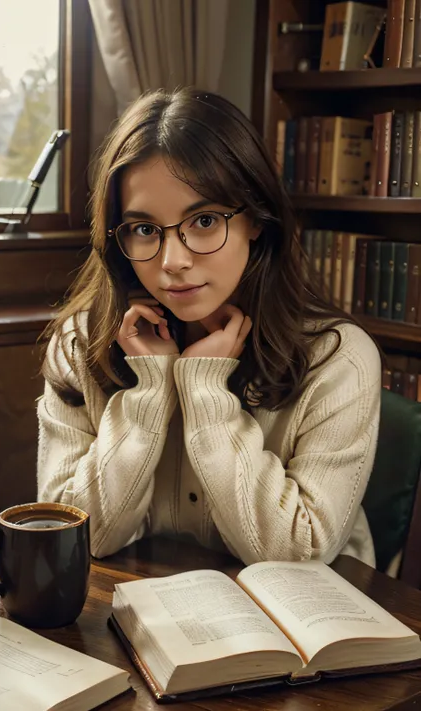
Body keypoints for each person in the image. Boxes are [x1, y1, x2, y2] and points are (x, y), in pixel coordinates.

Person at [37, 87, 381, 567]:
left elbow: (299, 555)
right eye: (143, 229)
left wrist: (206, 396)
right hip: (147, 612)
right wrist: (149, 392)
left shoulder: (339, 358)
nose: (173, 262)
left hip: (311, 626)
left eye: (203, 220)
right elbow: (75, 536)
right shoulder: (80, 344)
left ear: (256, 219)